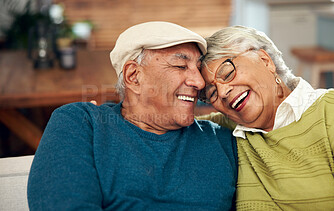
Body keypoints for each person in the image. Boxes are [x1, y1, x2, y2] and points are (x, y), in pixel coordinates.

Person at [27, 21, 237, 210]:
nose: (199, 82)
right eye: (180, 66)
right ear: (134, 76)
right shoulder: (82, 124)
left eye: (198, 69)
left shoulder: (223, 139)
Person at [197, 25, 334, 210]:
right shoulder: (223, 130)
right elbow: (170, 117)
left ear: (265, 60)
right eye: (211, 93)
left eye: (227, 72)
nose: (222, 92)